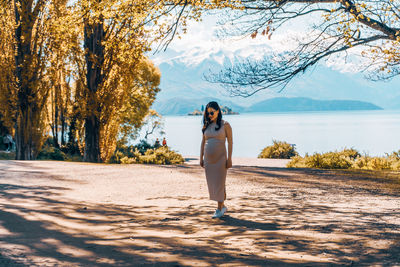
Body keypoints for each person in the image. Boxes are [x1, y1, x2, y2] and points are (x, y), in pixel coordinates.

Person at [200, 101, 233, 218]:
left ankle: (219, 209)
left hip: (221, 159)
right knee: (214, 184)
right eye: (208, 113)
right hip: (209, 161)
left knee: (220, 182)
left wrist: (229, 159)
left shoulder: (226, 125)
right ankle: (222, 207)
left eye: (212, 112)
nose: (210, 115)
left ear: (218, 111)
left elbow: (230, 142)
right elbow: (203, 142)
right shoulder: (207, 126)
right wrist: (201, 158)